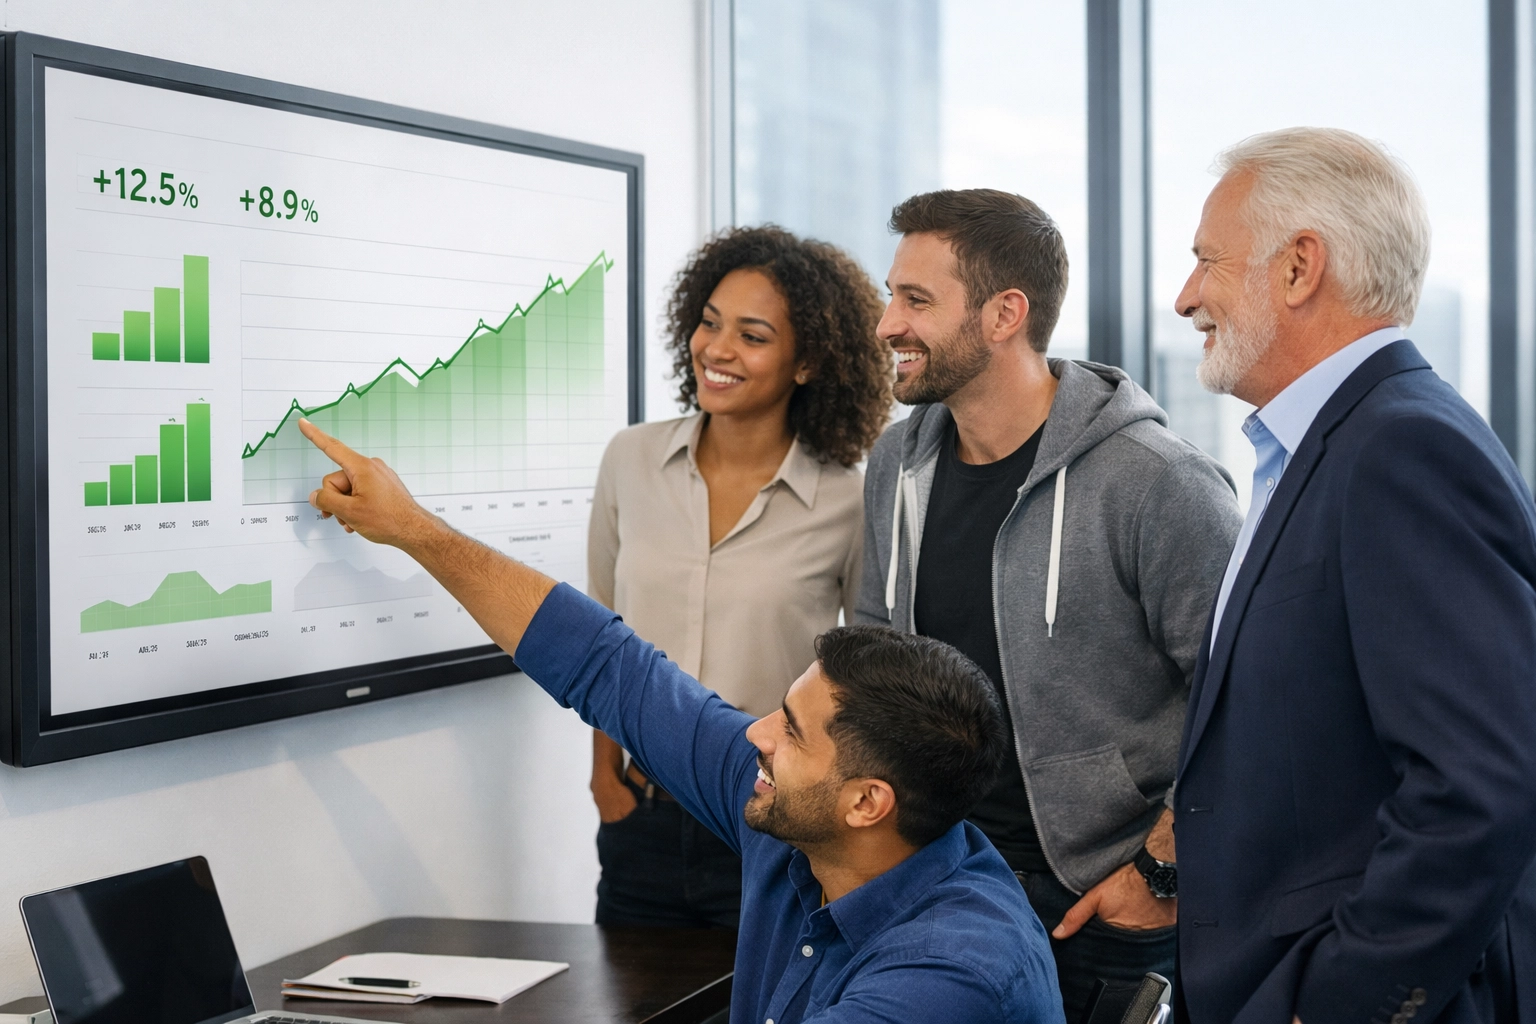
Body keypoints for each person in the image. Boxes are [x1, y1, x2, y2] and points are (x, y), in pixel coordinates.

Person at [294, 417, 1068, 1024]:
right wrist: (414, 529)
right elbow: (609, 666)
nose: (757, 735)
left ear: (867, 801)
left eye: (791, 732)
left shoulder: (950, 974)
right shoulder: (814, 827)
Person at [1172, 127, 1536, 1023]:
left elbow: (1480, 783)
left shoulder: (1402, 448)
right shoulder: (1326, 448)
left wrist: (1340, 1000)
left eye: (1207, 262)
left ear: (1300, 268)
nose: (1185, 299)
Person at [857, 188, 1242, 1018]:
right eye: (893, 295)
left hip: (1099, 907)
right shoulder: (898, 463)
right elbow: (874, 660)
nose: (888, 324)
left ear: (1005, 314)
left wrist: (1159, 871)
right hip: (942, 888)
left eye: (915, 300)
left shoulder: (1157, 482)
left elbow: (1248, 703)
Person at [586, 226, 890, 929]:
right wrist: (605, 777)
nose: (717, 350)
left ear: (807, 361)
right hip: (640, 817)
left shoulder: (847, 499)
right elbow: (602, 629)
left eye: (752, 336)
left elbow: (869, 674)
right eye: (710, 323)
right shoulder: (630, 460)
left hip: (772, 826)